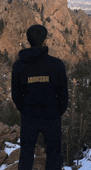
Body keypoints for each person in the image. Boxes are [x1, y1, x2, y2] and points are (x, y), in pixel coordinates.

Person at [11, 24, 68, 170]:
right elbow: (63, 94)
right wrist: (57, 111)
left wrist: (25, 109)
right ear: (44, 40)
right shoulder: (57, 64)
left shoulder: (18, 66)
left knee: (26, 154)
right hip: (51, 115)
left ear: (28, 40)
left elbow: (16, 95)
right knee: (54, 154)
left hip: (29, 115)